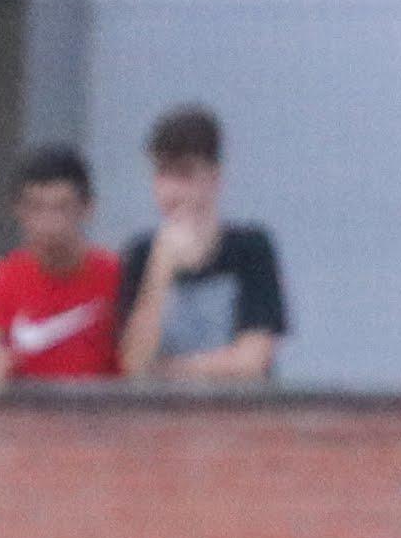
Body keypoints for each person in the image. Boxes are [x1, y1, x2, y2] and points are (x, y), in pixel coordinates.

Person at [114, 103, 286, 384]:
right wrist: (162, 268)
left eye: (184, 174)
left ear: (214, 178)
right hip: (162, 424)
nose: (171, 190)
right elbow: (134, 363)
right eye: (162, 174)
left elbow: (252, 361)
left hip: (239, 420)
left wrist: (167, 371)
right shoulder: (141, 252)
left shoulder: (251, 248)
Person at [0, 143, 123, 388]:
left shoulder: (117, 275)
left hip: (103, 421)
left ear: (87, 209)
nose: (49, 224)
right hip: (24, 422)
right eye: (36, 208)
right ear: (18, 211)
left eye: (62, 207)